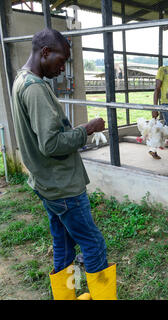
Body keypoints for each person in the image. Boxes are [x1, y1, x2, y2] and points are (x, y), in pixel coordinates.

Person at [11, 28, 116, 300]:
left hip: (46, 184)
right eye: (61, 60)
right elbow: (51, 145)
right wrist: (87, 130)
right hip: (63, 187)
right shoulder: (35, 89)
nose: (63, 67)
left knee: (63, 243)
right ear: (45, 52)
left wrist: (78, 129)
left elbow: (45, 136)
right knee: (93, 243)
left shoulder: (21, 80)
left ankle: (65, 297)